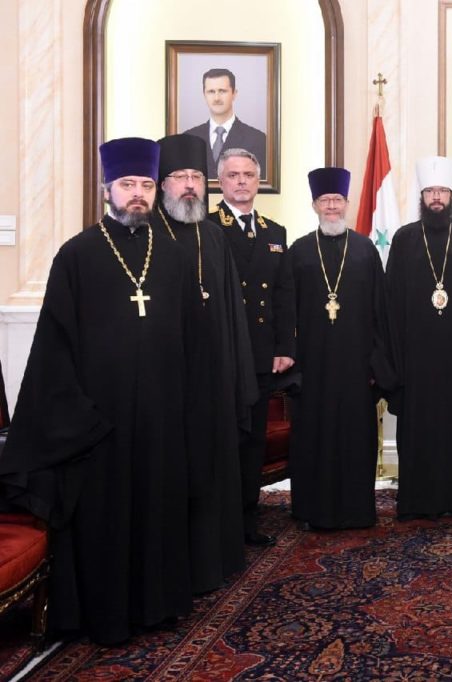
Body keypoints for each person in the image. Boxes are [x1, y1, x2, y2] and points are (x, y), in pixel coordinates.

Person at [0, 138, 197, 644]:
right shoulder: (78, 254)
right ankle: (104, 617)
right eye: (128, 184)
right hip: (99, 424)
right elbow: (54, 346)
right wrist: (82, 417)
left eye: (146, 185)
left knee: (157, 508)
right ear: (107, 188)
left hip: (159, 417)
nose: (137, 194)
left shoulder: (172, 257)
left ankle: (157, 606)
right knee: (105, 519)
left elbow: (191, 341)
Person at [155, 134, 257, 591]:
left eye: (196, 177)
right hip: (169, 384)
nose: (190, 186)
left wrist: (238, 379)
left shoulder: (214, 237)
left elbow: (234, 314)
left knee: (214, 469)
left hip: (214, 378)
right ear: (163, 185)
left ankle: (215, 562)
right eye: (180, 178)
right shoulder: (150, 235)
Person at [284, 168, 394, 530]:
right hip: (312, 367)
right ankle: (311, 509)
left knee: (355, 438)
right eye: (324, 200)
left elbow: (380, 312)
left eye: (337, 200)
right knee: (313, 437)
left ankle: (356, 510)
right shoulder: (299, 251)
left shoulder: (364, 251)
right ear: (314, 205)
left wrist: (376, 366)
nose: (331, 206)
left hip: (355, 366)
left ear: (347, 204)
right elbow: (286, 312)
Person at [386, 156, 452, 520]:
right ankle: (416, 502)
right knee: (417, 435)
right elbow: (391, 304)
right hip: (415, 360)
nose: (436, 198)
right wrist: (395, 360)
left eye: (442, 191)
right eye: (430, 191)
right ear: (422, 195)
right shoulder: (403, 239)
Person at [212, 147, 296, 546]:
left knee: (253, 441)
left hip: (263, 357)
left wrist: (285, 347)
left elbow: (283, 296)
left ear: (258, 180)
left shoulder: (274, 232)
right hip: (222, 356)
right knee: (224, 439)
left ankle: (247, 521)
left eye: (248, 174)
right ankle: (219, 524)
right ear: (220, 181)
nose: (242, 181)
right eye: (233, 175)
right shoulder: (208, 228)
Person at [184, 68, 268, 178]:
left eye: (222, 91)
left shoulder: (258, 139)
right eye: (211, 92)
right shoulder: (188, 138)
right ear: (204, 95)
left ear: (234, 94)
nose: (217, 98)